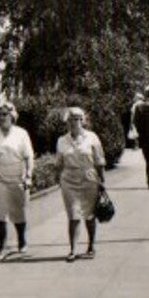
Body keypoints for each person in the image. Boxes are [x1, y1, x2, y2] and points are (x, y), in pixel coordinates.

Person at [0, 101, 34, 260]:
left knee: (19, 212)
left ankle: (22, 240)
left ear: (12, 115)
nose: (2, 117)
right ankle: (2, 247)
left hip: (17, 176)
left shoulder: (21, 133)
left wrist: (28, 176)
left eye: (5, 114)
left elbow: (29, 157)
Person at [55, 105, 106, 261]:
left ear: (83, 120)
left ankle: (91, 245)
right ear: (67, 122)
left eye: (77, 119)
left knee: (89, 215)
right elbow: (58, 163)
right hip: (69, 180)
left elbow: (99, 161)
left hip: (89, 178)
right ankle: (73, 249)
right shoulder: (62, 140)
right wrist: (59, 180)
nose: (74, 122)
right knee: (73, 215)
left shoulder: (92, 137)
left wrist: (101, 180)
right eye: (71, 119)